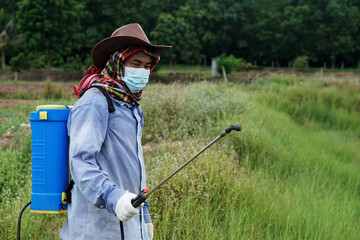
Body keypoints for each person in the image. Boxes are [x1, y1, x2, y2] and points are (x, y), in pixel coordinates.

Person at [60, 23, 171, 240]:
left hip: (129, 224)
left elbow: (135, 169)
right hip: (95, 229)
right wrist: (114, 197)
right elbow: (81, 162)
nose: (142, 71)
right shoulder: (94, 103)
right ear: (117, 63)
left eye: (147, 66)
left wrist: (144, 216)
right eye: (135, 63)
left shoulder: (131, 107)